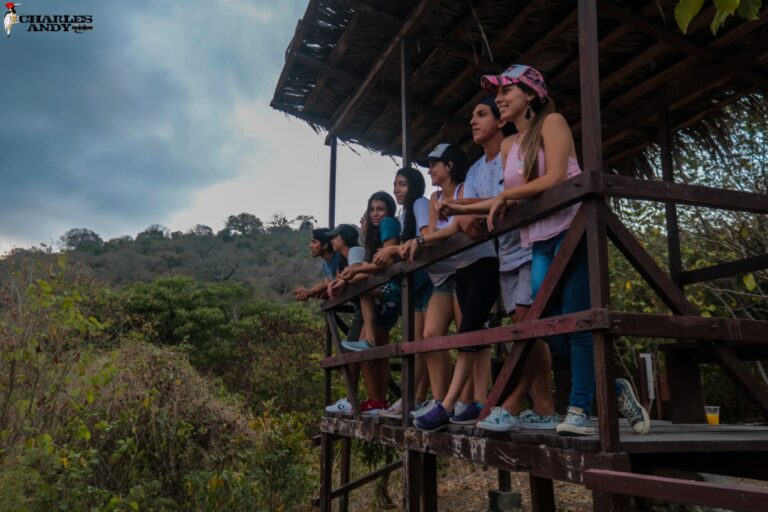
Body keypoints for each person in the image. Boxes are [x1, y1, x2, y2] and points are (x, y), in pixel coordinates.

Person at [444, 64, 650, 436]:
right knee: (545, 328)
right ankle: (614, 385)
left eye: (507, 91)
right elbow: (504, 197)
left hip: (570, 230)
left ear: (531, 95)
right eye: (498, 93)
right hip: (537, 241)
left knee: (576, 319)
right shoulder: (510, 145)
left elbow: (554, 177)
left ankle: (579, 408)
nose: (501, 98)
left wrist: (505, 195)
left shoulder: (551, 122)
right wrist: (460, 208)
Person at [440, 96, 559, 431]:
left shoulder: (513, 147)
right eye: (472, 117)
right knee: (524, 326)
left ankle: (514, 401)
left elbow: (507, 195)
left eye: (480, 114)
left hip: (529, 244)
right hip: (503, 254)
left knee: (527, 325)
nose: (474, 122)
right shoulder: (477, 170)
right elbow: (477, 213)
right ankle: (545, 406)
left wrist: (464, 208)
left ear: (499, 120)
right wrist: (467, 215)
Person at [401, 143, 500, 431]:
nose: (430, 170)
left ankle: (463, 402)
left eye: (434, 164)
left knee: (470, 330)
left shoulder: (465, 190)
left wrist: (423, 239)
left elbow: (459, 226)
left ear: (449, 166)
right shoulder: (434, 198)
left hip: (483, 264)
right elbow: (435, 233)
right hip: (460, 270)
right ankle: (463, 402)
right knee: (457, 333)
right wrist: (423, 239)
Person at [372, 167, 435, 419]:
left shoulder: (420, 203)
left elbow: (425, 237)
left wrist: (393, 250)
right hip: (418, 283)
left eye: (402, 184)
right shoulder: (405, 213)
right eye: (395, 185)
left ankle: (417, 398)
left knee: (425, 342)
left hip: (428, 279)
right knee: (419, 343)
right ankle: (415, 398)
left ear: (415, 186)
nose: (397, 190)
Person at [331, 192, 401, 416]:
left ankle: (375, 400)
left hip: (390, 291)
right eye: (371, 210)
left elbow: (385, 263)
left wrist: (354, 272)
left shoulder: (388, 226)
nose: (373, 215)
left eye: (379, 209)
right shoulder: (374, 238)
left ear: (389, 210)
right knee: (378, 352)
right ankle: (377, 401)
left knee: (369, 349)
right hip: (386, 295)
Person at [293, 228, 343, 302]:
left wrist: (311, 291)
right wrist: (309, 293)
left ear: (325, 245)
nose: (310, 246)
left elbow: (333, 285)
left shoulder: (340, 258)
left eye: (314, 242)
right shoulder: (325, 264)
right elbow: (327, 290)